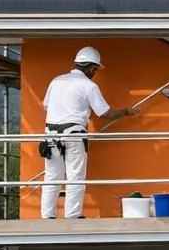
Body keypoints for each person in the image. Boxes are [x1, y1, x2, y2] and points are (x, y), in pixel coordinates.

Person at [40, 47, 135, 219]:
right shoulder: (89, 85)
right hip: (74, 134)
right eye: (96, 69)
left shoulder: (56, 81)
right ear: (91, 67)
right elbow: (105, 113)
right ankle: (73, 216)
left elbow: (46, 105)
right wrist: (126, 112)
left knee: (52, 176)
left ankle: (47, 217)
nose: (95, 73)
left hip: (51, 135)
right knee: (75, 176)